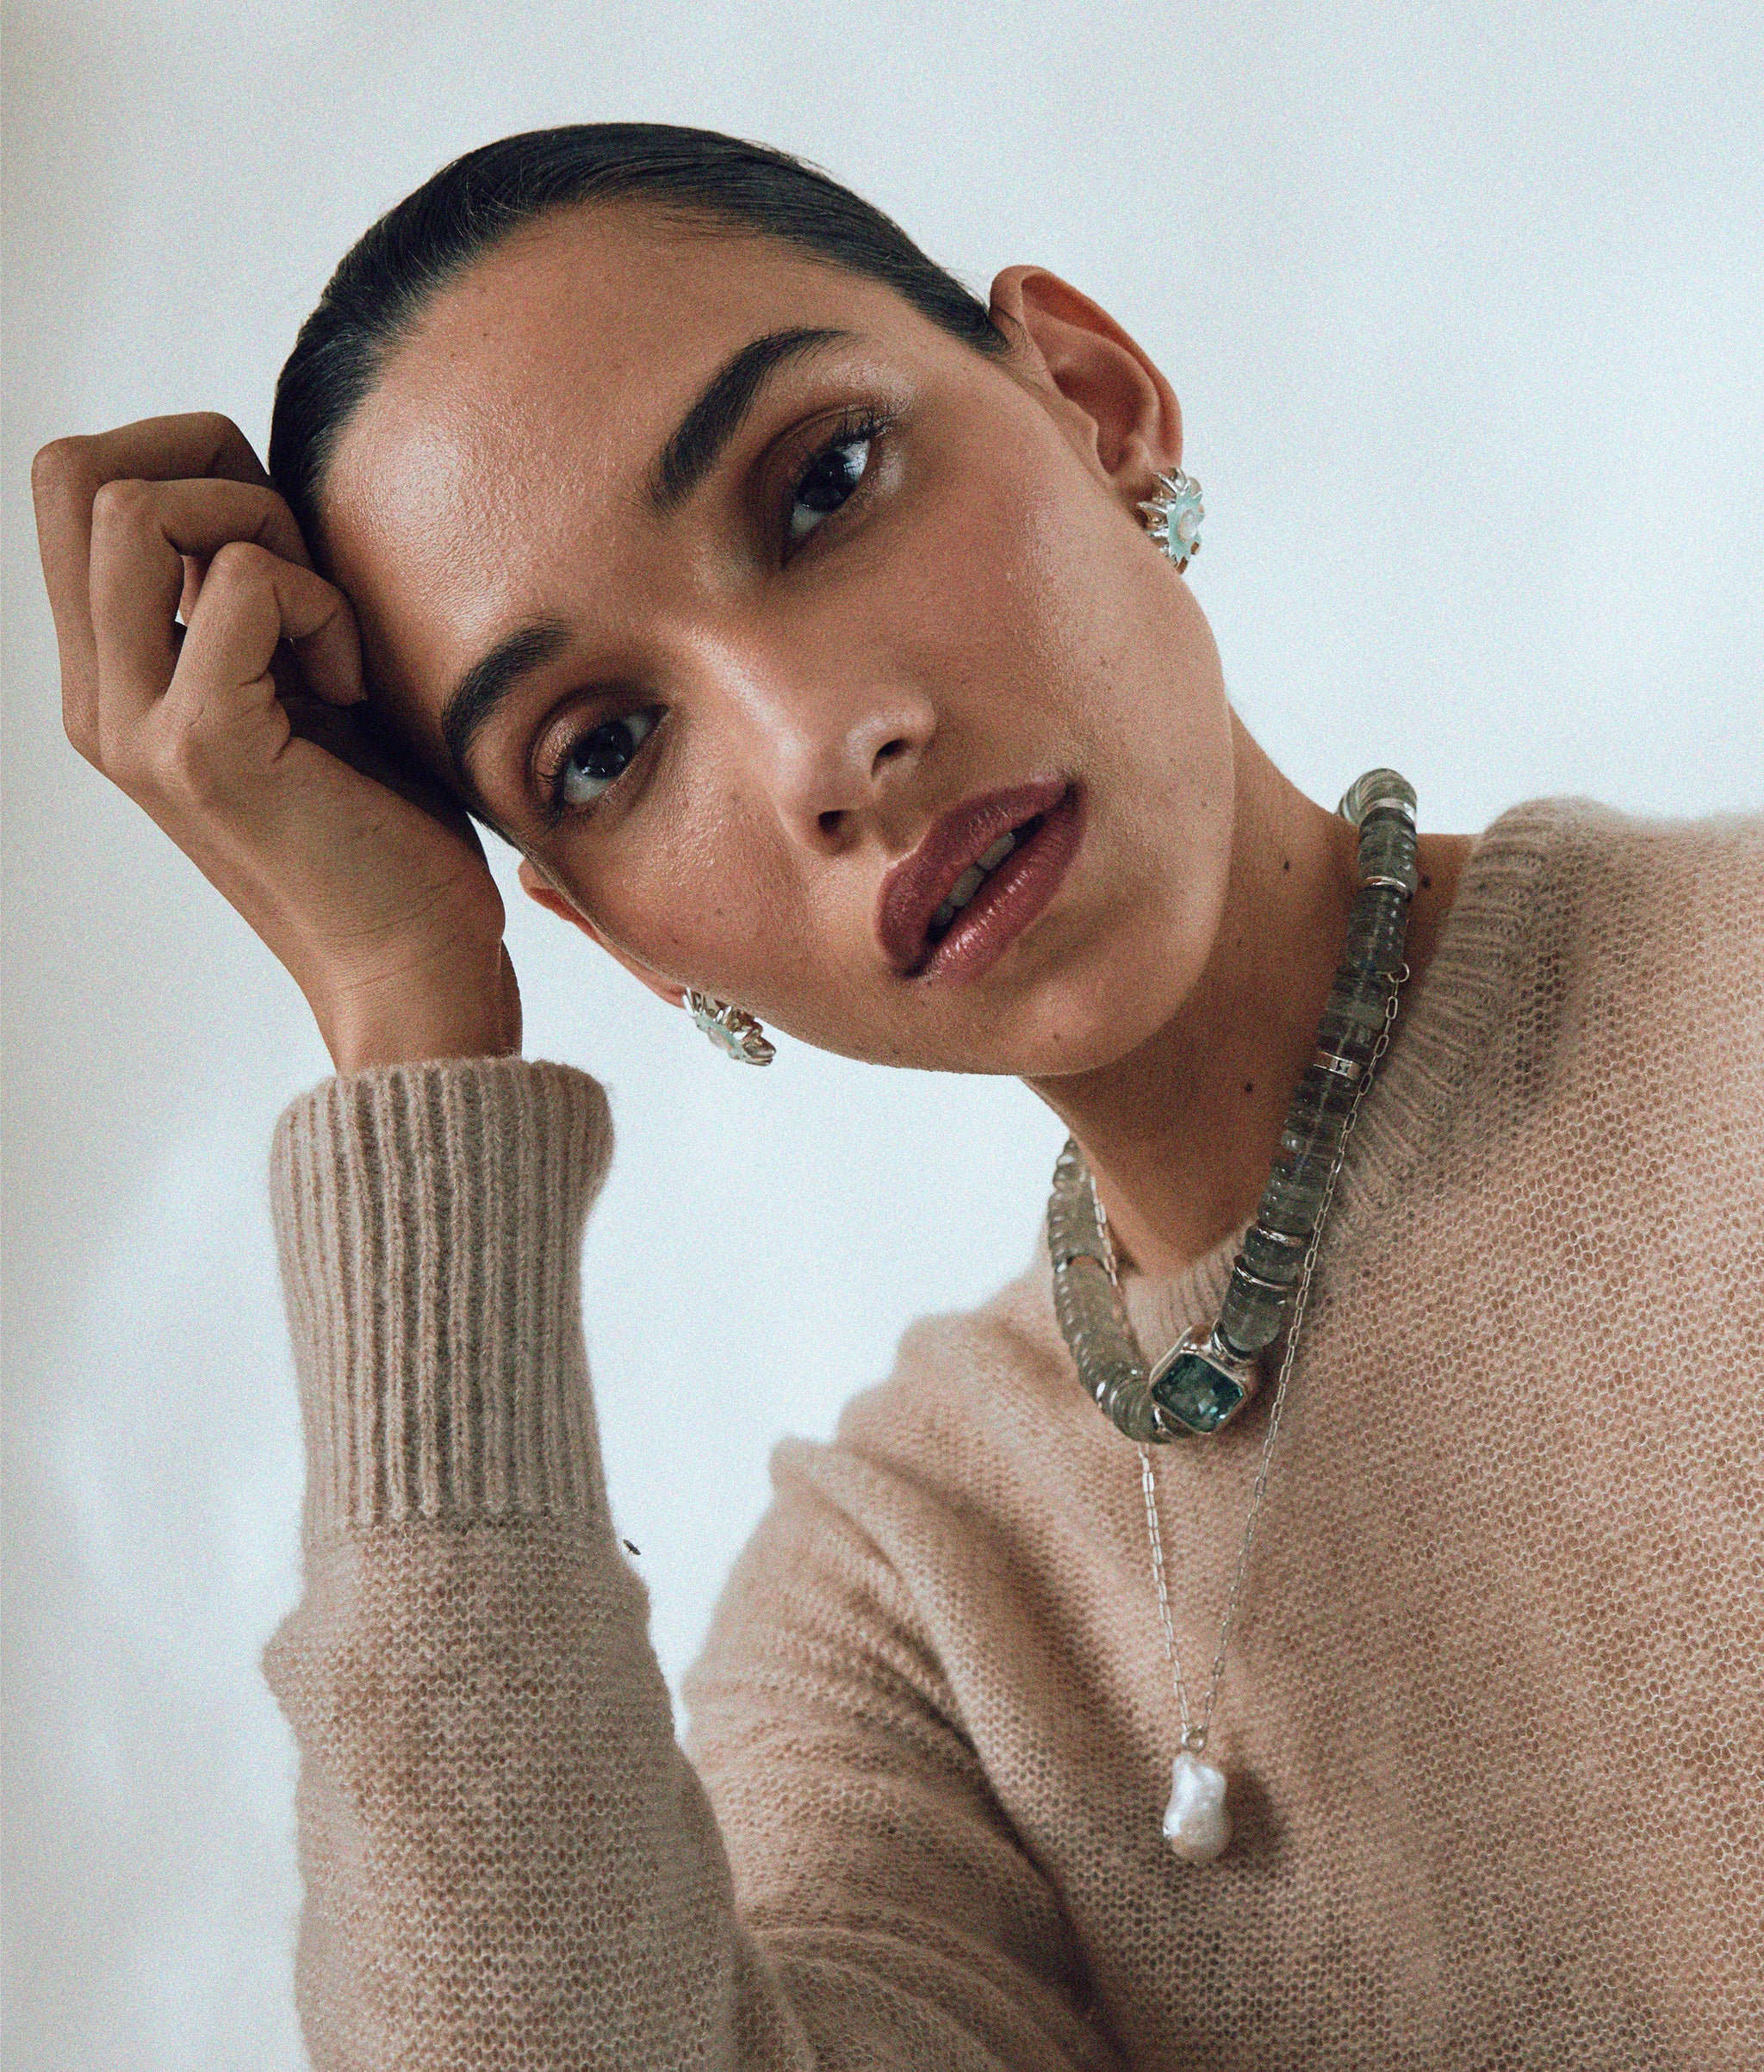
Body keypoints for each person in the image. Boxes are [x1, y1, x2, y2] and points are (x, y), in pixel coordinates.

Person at [31, 122, 1761, 2070]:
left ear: (1094, 404)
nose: (820, 750)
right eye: (602, 749)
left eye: (824, 482)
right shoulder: (925, 1599)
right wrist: (400, 1009)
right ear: (623, 940)